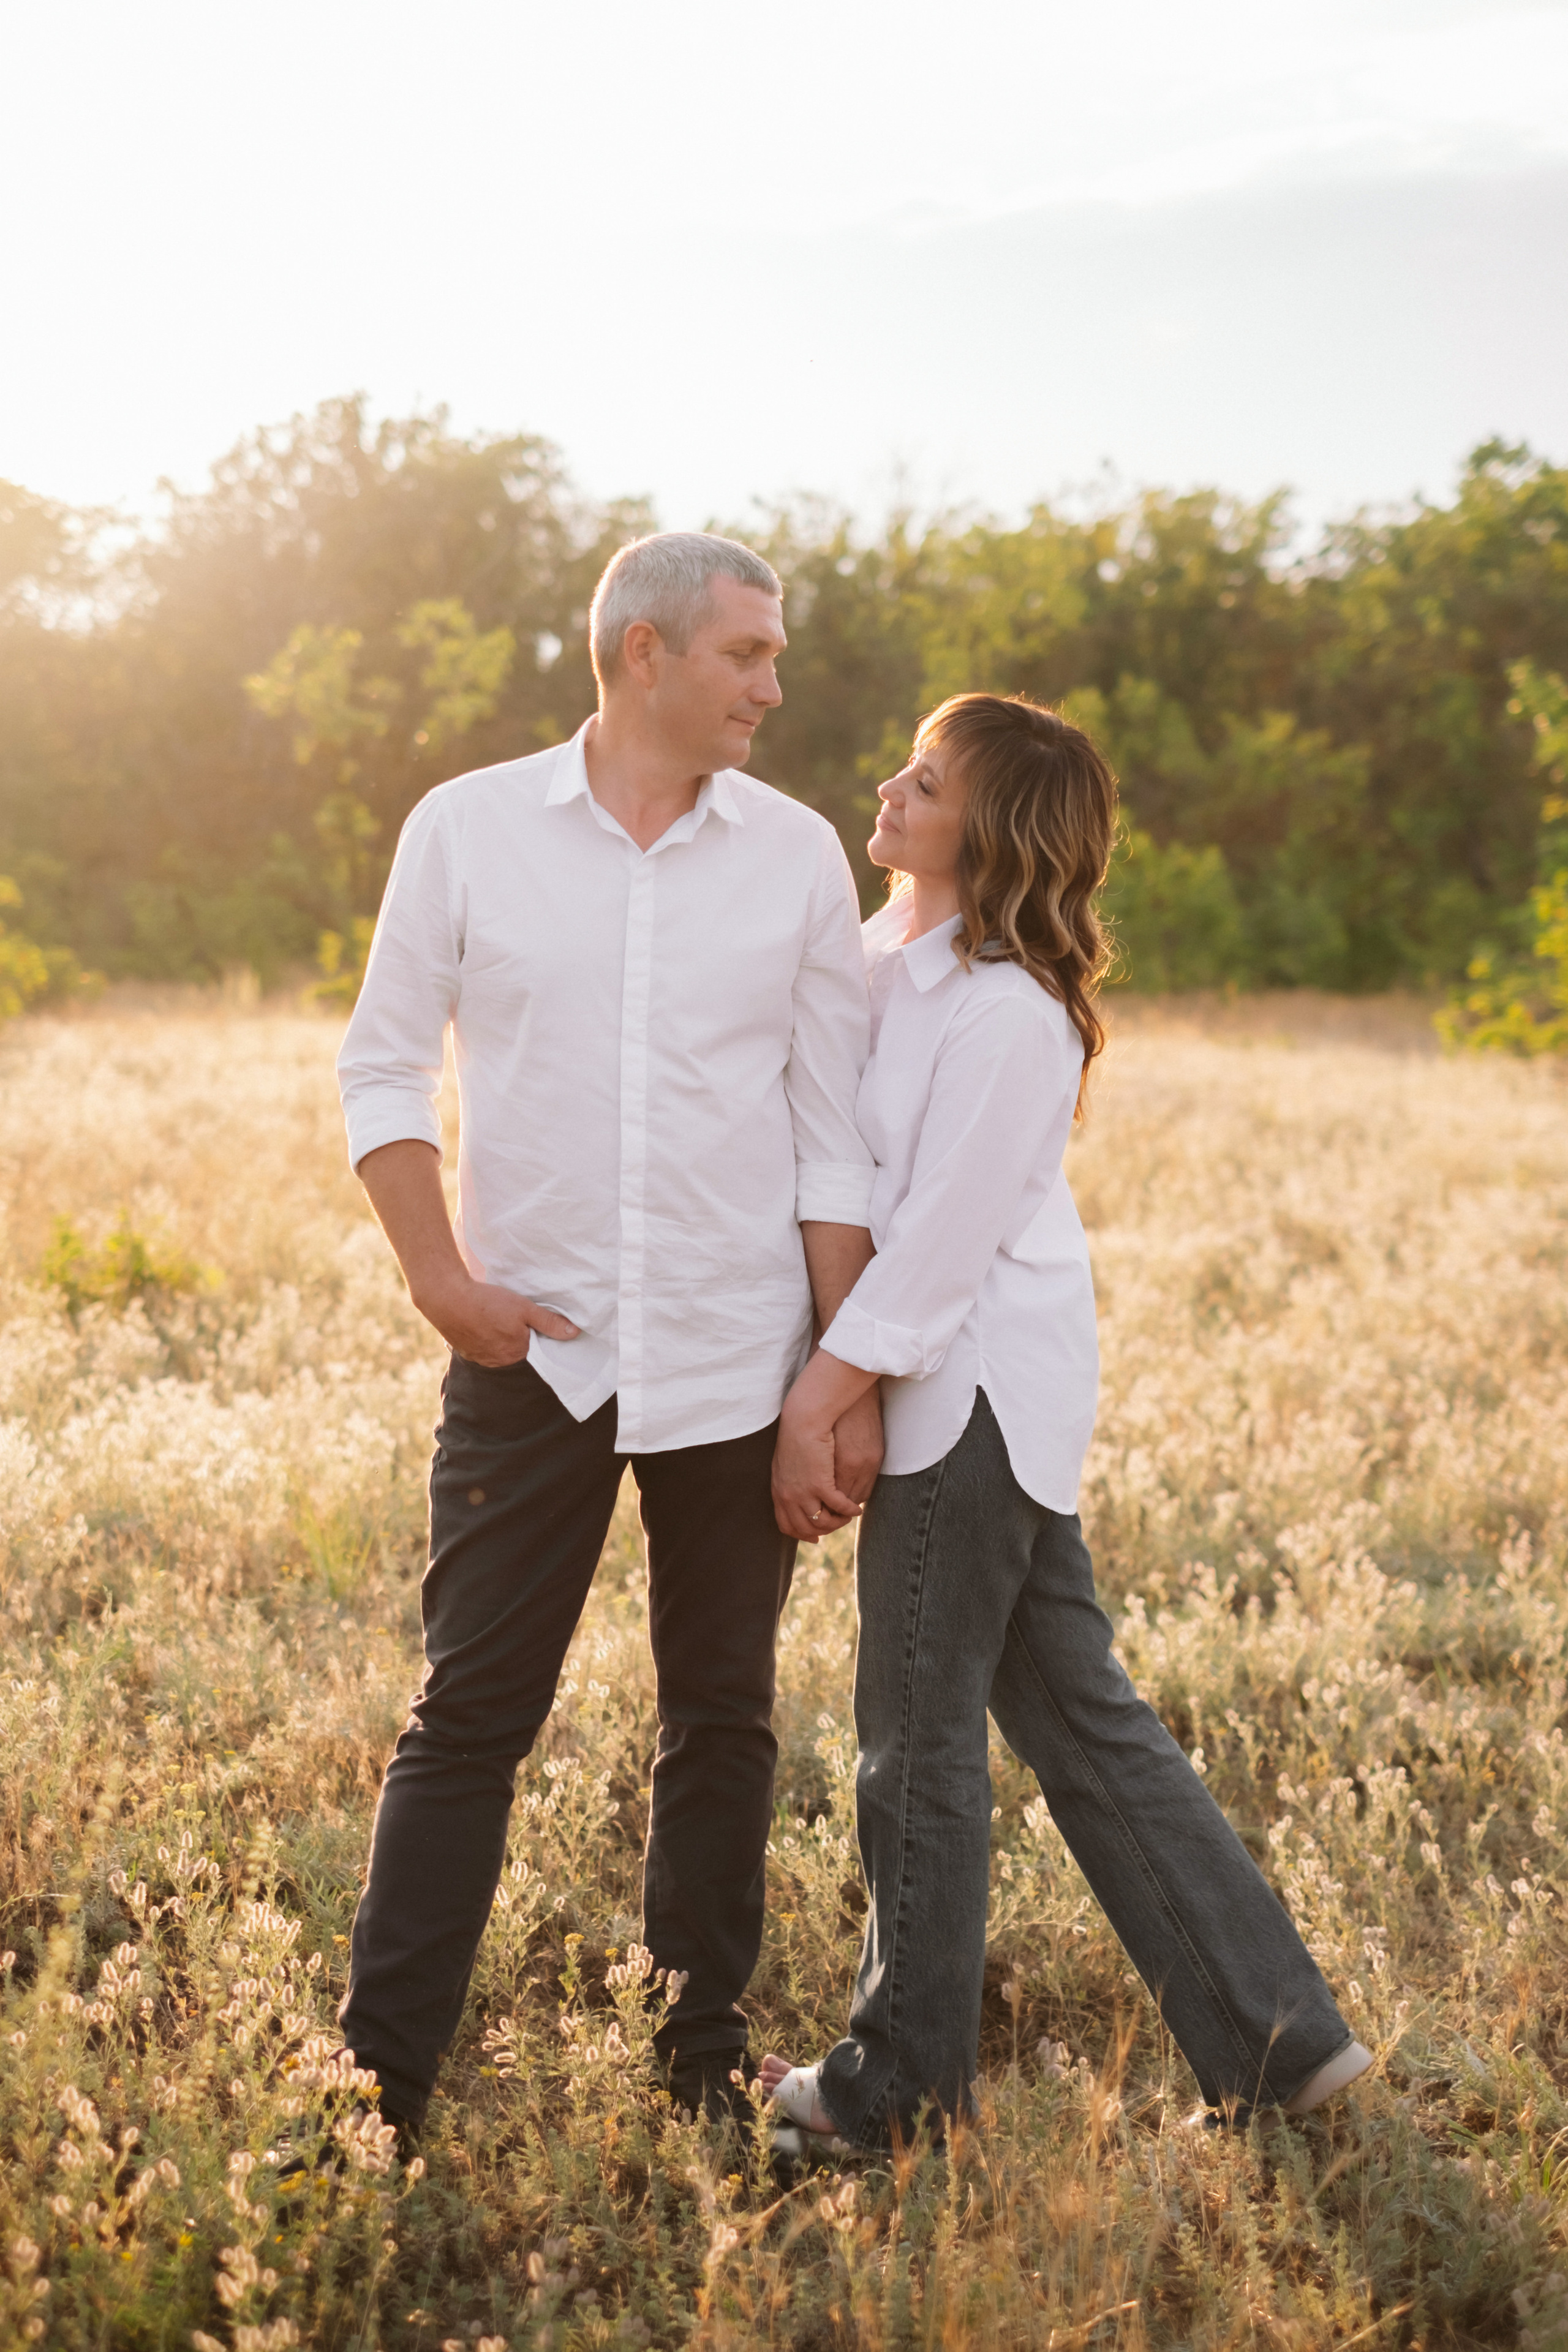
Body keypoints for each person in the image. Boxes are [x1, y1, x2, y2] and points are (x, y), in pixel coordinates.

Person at [762, 692, 1373, 2153]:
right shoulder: (880, 961)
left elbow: (938, 1250)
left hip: (965, 1401)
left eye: (926, 782)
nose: (887, 788)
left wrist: (818, 1401)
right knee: (1084, 1728)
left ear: (992, 832)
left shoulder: (1006, 1015)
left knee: (915, 1746)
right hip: (949, 1392)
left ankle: (895, 2097)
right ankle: (1283, 2051)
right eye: (904, 766)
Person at [333, 531, 884, 2143]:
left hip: (738, 1362)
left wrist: (836, 1383)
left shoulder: (796, 857)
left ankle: (698, 2064)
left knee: (723, 1719)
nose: (770, 689)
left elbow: (830, 1135)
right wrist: (439, 1279)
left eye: (773, 658)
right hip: (532, 1359)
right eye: (746, 655)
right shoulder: (466, 829)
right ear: (644, 652)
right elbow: (381, 1066)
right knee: (466, 1720)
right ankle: (373, 2095)